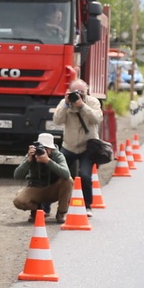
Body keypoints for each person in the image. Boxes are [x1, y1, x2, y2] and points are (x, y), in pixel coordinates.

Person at [52, 78, 103, 216]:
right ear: (69, 91)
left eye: (81, 91)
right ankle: (50, 206)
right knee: (58, 174)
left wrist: (82, 106)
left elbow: (97, 119)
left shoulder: (93, 102)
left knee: (85, 175)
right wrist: (66, 105)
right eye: (76, 91)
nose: (78, 94)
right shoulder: (65, 102)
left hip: (88, 147)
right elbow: (57, 120)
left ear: (86, 91)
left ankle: (87, 206)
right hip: (69, 146)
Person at [12, 132, 72, 224]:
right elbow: (17, 175)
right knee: (18, 201)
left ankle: (61, 212)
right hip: (36, 188)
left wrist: (48, 161)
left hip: (53, 189)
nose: (42, 151)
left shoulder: (57, 155)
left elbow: (66, 174)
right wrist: (28, 161)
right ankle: (37, 210)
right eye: (41, 148)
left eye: (46, 148)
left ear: (51, 149)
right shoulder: (32, 155)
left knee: (69, 181)